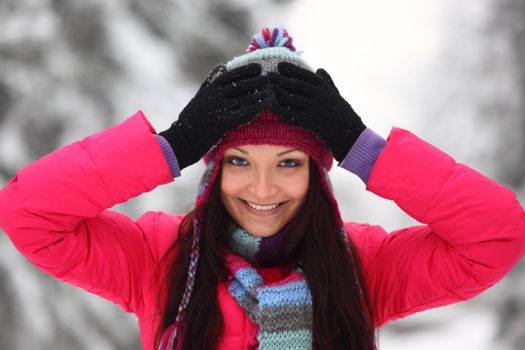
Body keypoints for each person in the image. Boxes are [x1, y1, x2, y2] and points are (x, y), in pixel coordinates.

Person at [0, 26, 524, 350]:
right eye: (238, 160)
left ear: (318, 174)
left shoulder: (363, 266)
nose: (263, 187)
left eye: (290, 162)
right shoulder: (158, 257)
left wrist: (363, 149)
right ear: (214, 170)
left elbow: (498, 233)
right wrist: (175, 145)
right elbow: (28, 212)